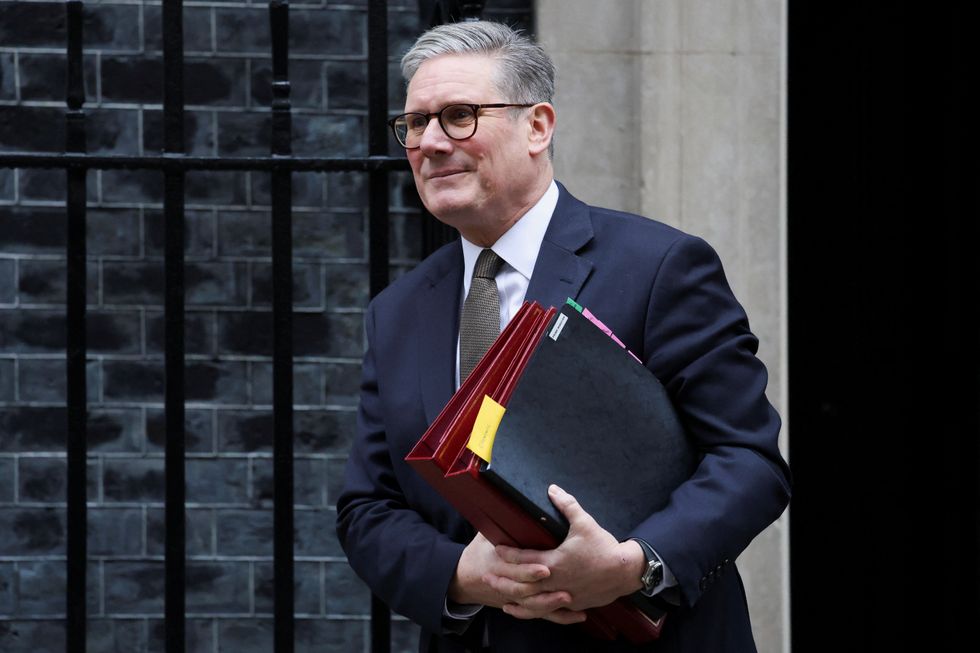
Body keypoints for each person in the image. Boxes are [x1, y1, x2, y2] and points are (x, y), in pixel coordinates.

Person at [336, 20, 791, 653]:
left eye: (459, 115)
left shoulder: (660, 268)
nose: (431, 142)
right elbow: (367, 509)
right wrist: (462, 576)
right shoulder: (398, 312)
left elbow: (749, 461)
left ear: (538, 126)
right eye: (414, 124)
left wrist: (635, 565)